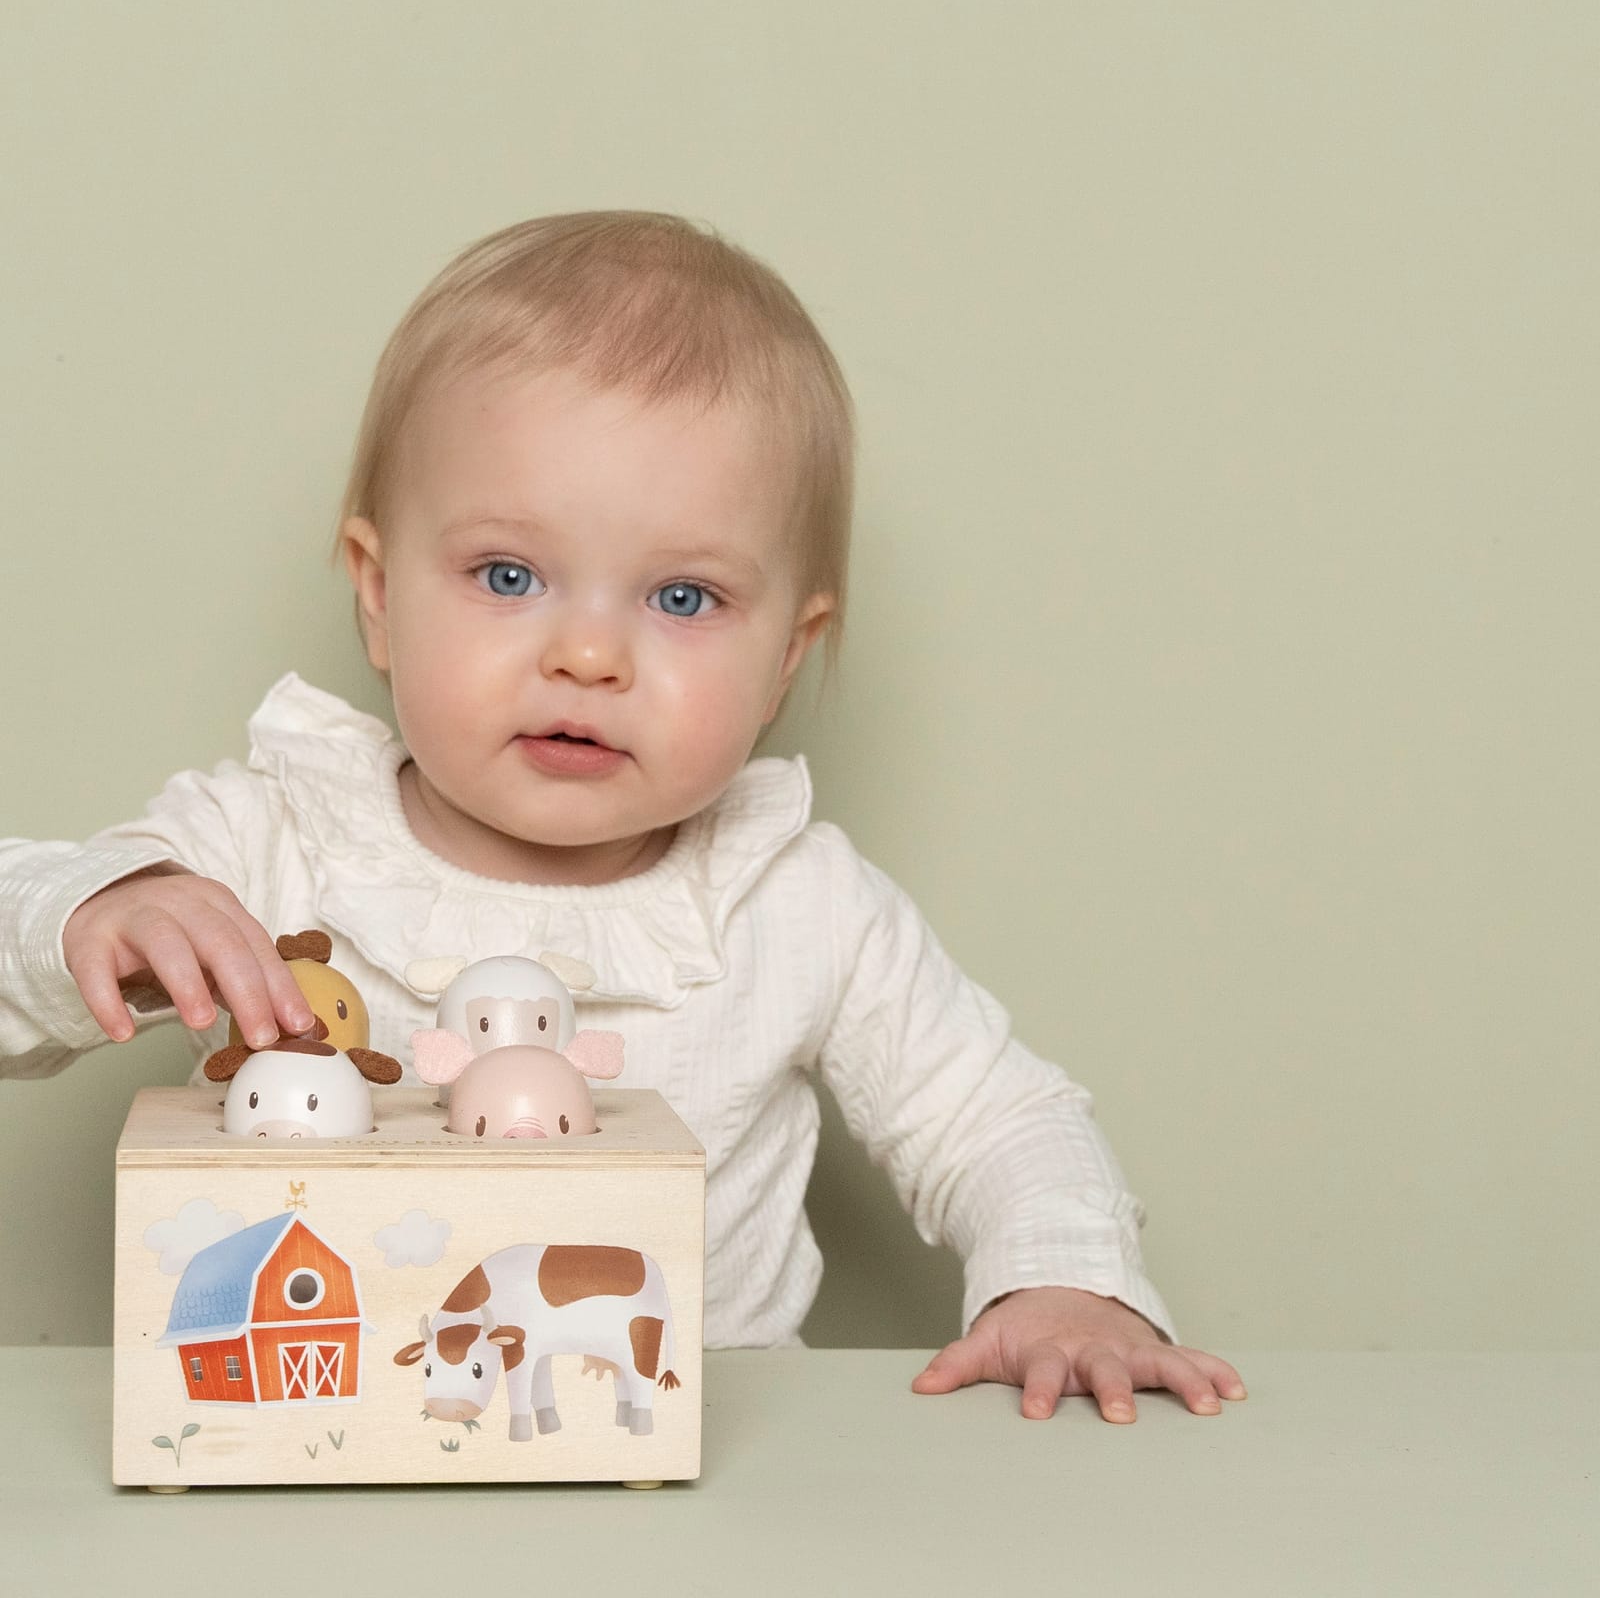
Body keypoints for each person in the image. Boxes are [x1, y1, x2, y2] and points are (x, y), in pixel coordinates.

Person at [0, 211, 1243, 1423]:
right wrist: (102, 913)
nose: (588, 652)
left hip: (703, 1461)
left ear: (783, 661)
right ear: (378, 598)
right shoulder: (270, 839)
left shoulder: (794, 898)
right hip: (335, 1444)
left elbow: (997, 1116)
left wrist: (1067, 1285)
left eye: (685, 597)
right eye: (507, 575)